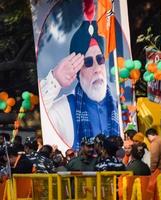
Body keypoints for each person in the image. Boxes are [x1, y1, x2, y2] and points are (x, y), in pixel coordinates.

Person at [40, 1, 119, 150]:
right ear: (77, 71)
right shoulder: (63, 109)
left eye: (100, 60)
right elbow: (42, 113)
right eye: (88, 62)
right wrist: (54, 80)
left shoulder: (118, 107)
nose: (97, 69)